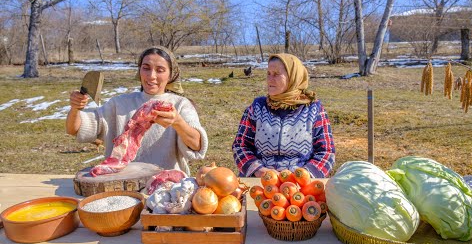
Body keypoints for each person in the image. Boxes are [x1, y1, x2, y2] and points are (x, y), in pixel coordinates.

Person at [66, 46, 208, 176]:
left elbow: (198, 146)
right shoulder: (119, 103)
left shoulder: (180, 104)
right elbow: (75, 129)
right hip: (120, 184)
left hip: (166, 187)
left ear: (170, 75)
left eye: (160, 70)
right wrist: (75, 108)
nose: (151, 76)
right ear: (139, 71)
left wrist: (178, 122)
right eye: (146, 68)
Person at [232, 53, 335, 178]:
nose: (270, 79)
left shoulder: (313, 109)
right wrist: (258, 170)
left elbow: (326, 152)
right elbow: (240, 146)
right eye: (268, 73)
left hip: (301, 185)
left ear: (293, 77)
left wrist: (305, 175)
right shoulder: (257, 107)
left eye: (276, 74)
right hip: (260, 181)